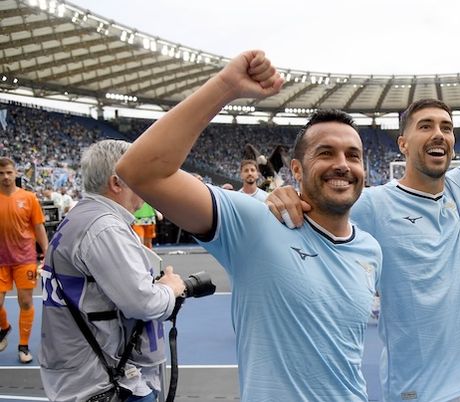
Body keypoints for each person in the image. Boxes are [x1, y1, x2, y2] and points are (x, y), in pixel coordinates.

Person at [267, 33, 460, 402]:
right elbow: (313, 206)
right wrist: (282, 195)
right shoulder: (373, 204)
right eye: (425, 125)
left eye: (446, 127)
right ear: (403, 144)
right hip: (415, 390)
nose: (438, 133)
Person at [116, 50, 382, 401]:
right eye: (326, 153)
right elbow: (139, 170)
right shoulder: (257, 222)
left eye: (353, 155)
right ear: (297, 170)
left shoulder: (370, 250)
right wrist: (226, 87)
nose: (343, 164)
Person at [39, 140, 186, 402]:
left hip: (80, 372)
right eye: (138, 177)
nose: (145, 185)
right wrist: (171, 287)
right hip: (103, 380)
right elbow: (144, 303)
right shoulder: (104, 228)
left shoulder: (79, 217)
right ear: (116, 183)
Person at [0, 157, 48, 363]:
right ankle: (4, 328)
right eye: (1, 173)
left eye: (9, 172)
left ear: (16, 173)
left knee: (25, 301)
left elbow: (38, 227)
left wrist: (47, 252)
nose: (5, 177)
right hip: (1, 260)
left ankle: (23, 345)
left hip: (25, 259)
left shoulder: (29, 198)